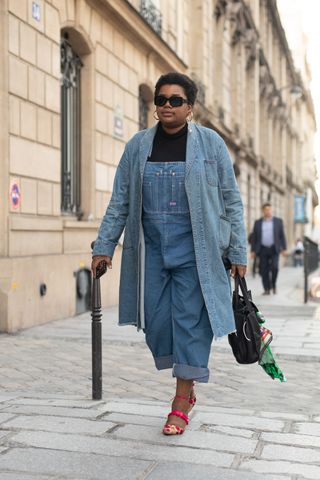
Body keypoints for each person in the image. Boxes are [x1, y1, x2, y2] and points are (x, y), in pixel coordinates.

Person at [91, 72, 247, 436]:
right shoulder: (137, 146)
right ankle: (184, 381)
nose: (166, 106)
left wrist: (238, 249)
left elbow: (231, 200)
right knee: (157, 322)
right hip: (151, 249)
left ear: (190, 107)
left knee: (190, 323)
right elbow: (120, 200)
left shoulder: (211, 144)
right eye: (160, 99)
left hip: (198, 250)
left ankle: (181, 400)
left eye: (175, 100)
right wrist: (104, 246)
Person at [250, 203, 287, 295]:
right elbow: (254, 238)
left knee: (275, 267)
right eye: (266, 210)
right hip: (262, 249)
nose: (268, 211)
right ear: (263, 211)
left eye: (270, 209)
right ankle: (266, 289)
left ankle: (273, 285)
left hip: (274, 248)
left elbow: (282, 236)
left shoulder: (278, 221)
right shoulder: (257, 223)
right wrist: (253, 251)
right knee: (263, 270)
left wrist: (284, 248)